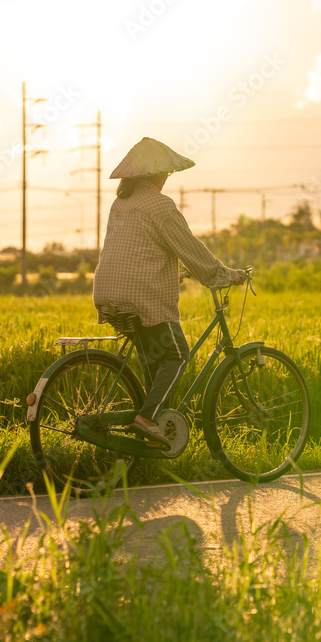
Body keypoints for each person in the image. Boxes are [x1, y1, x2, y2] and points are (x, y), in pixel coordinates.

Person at [93, 137, 247, 449]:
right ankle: (146, 419)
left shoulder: (121, 203)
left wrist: (174, 274)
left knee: (154, 365)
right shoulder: (159, 205)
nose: (166, 180)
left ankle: (147, 443)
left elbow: (136, 253)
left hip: (109, 292)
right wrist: (224, 275)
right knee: (177, 355)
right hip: (139, 298)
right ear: (156, 175)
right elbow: (191, 249)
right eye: (165, 174)